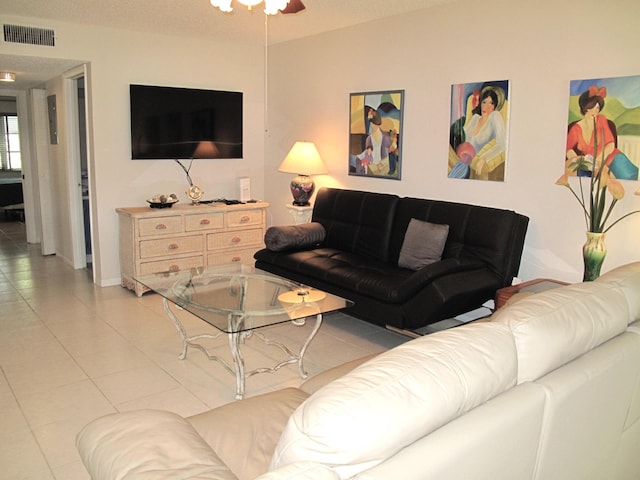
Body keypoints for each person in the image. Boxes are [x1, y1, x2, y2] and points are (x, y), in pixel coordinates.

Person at [565, 85, 638, 180]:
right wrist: (580, 162)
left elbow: (610, 145)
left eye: (597, 108)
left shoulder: (601, 120)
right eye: (591, 107)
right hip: (591, 165)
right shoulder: (575, 129)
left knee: (628, 177)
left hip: (612, 158)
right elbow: (568, 150)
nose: (594, 111)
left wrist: (598, 161)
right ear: (584, 107)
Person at [448, 86, 507, 180]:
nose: (486, 106)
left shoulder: (494, 116)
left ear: (495, 106)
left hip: (468, 166)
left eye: (491, 103)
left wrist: (484, 158)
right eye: (484, 102)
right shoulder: (475, 118)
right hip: (461, 159)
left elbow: (503, 143)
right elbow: (464, 139)